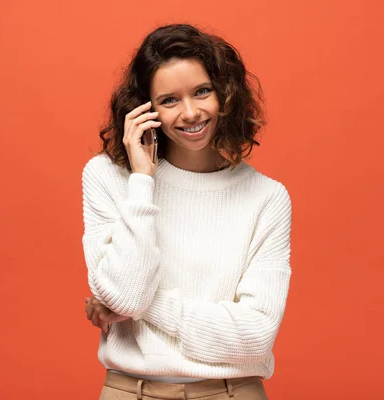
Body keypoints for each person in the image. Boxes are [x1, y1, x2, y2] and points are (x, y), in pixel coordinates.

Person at [82, 23, 292, 400]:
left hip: (233, 393)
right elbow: (125, 297)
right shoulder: (110, 178)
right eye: (169, 100)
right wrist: (143, 181)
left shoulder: (267, 197)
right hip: (131, 392)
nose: (191, 113)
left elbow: (255, 338)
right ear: (145, 109)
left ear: (225, 93)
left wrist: (141, 305)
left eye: (202, 91)